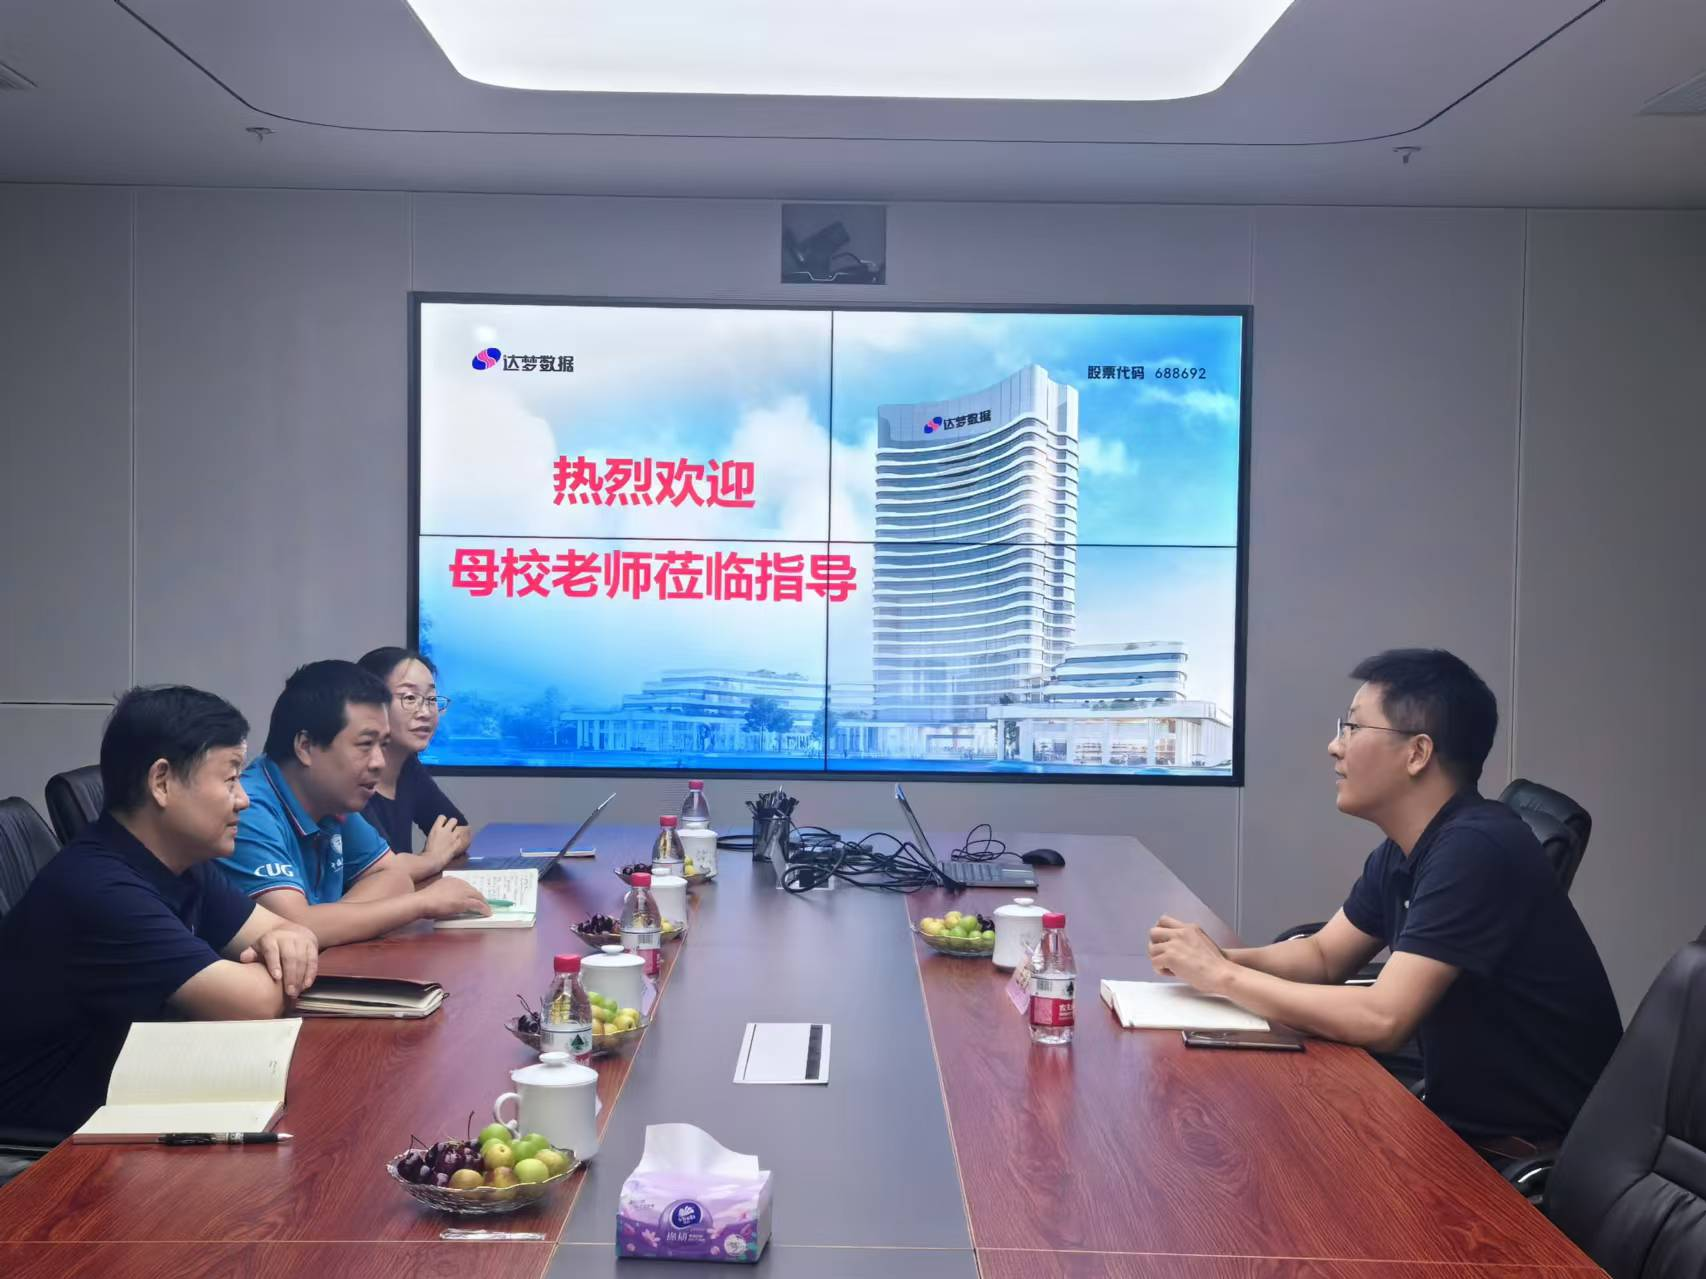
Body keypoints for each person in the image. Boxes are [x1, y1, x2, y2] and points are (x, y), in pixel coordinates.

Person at [1149, 648, 1622, 1150]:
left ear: (1417, 753)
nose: (1335, 746)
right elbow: (1324, 955)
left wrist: (1222, 977)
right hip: (1459, 1122)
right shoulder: (1410, 847)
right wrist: (1214, 960)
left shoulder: (1477, 848)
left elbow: (1384, 1018)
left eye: (1353, 728)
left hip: (1520, 1154)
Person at [0, 686, 319, 1139]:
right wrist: (277, 955)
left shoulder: (183, 862)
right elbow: (255, 1004)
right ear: (162, 782)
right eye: (230, 779)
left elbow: (290, 931)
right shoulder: (99, 888)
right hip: (45, 1149)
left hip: (125, 1104)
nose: (243, 799)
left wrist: (286, 943)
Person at [215, 660, 489, 947]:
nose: (379, 762)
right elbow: (294, 928)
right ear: (305, 746)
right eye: (365, 745)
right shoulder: (247, 809)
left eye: (383, 745)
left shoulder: (330, 798)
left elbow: (395, 876)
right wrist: (423, 903)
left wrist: (330, 924)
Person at [354, 646, 471, 872]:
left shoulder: (407, 766)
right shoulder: (350, 779)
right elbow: (382, 871)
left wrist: (423, 862)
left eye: (431, 699)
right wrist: (431, 858)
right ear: (369, 703)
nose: (426, 712)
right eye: (409, 697)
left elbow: (460, 830)